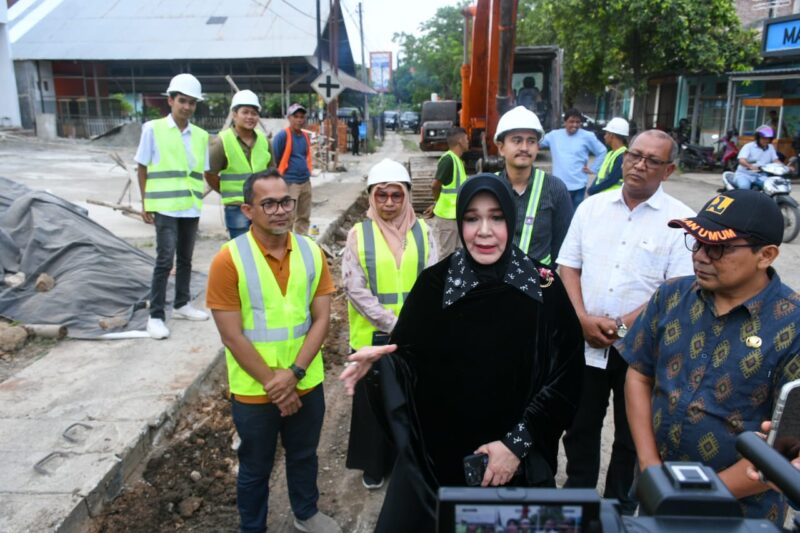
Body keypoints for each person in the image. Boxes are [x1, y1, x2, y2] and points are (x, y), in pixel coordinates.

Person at [341, 174, 584, 532]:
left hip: (518, 463)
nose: (484, 231)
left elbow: (567, 377)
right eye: (472, 218)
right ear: (460, 222)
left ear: (511, 220)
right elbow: (412, 362)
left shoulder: (542, 287)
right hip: (441, 466)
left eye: (497, 217)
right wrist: (384, 366)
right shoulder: (435, 284)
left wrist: (514, 446)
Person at [621, 188, 800, 525]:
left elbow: (787, 448)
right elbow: (639, 372)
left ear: (766, 255)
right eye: (697, 242)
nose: (700, 256)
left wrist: (701, 494)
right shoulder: (671, 296)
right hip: (656, 494)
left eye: (718, 247)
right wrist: (649, 466)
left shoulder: (793, 325)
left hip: (743, 514)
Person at [556, 129, 694, 514]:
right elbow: (568, 266)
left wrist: (621, 325)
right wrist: (581, 318)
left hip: (643, 349)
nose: (639, 165)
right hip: (586, 341)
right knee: (581, 426)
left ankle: (619, 505)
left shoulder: (681, 220)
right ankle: (578, 498)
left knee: (634, 434)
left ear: (668, 170)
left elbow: (676, 287)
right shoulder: (591, 208)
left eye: (652, 160)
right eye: (635, 155)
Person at [206, 169, 341, 533]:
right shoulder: (228, 260)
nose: (281, 210)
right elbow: (231, 335)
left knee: (303, 455)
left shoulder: (312, 253)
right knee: (254, 467)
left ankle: (306, 513)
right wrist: (274, 383)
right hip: (255, 391)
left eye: (286, 201)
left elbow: (321, 320)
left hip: (305, 381)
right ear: (248, 210)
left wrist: (293, 374)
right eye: (269, 203)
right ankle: (253, 528)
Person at [343, 159, 438, 490]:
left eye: (396, 196)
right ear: (371, 196)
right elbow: (354, 288)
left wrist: (411, 325)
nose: (388, 203)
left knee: (410, 402)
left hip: (413, 338)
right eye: (381, 195)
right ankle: (374, 464)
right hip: (372, 337)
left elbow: (434, 282)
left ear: (407, 196)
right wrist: (394, 322)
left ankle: (406, 463)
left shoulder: (424, 233)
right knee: (373, 404)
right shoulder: (359, 234)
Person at [135, 73, 210, 340]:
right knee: (165, 260)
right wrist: (146, 202)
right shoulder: (152, 129)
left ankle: (181, 304)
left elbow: (199, 173)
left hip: (190, 206)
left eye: (192, 102)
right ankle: (155, 315)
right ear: (170, 101)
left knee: (186, 259)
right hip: (165, 206)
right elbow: (141, 166)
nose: (187, 107)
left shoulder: (201, 136)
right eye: (182, 101)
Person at [494, 106, 573, 267]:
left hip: (538, 284)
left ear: (538, 147)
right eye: (517, 140)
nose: (524, 148)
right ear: (501, 148)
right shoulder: (490, 188)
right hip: (496, 283)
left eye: (531, 141)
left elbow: (563, 244)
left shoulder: (555, 189)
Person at [206, 90, 273, 239]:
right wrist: (227, 192)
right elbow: (210, 175)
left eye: (254, 113)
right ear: (234, 114)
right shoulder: (221, 141)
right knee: (242, 252)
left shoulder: (264, 141)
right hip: (237, 209)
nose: (250, 117)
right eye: (245, 112)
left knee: (264, 251)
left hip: (263, 206)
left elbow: (271, 173)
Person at [540, 108, 607, 209]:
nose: (575, 125)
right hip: (559, 186)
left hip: (578, 186)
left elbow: (602, 151)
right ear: (565, 122)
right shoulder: (554, 135)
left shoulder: (587, 136)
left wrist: (594, 168)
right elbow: (537, 144)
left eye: (578, 122)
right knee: (559, 216)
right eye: (571, 121)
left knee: (576, 217)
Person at [425, 127, 469, 257]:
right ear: (460, 141)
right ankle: (444, 278)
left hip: (456, 216)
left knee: (458, 255)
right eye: (466, 139)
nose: (468, 141)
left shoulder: (457, 161)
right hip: (447, 218)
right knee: (447, 256)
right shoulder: (448, 160)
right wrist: (436, 203)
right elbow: (435, 186)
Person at [273, 103, 313, 235]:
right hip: (290, 183)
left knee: (304, 216)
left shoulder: (305, 137)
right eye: (296, 116)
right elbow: (275, 159)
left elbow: (306, 156)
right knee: (288, 216)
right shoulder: (282, 136)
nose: (299, 120)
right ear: (289, 118)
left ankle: (301, 242)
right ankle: (286, 244)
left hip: (305, 182)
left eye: (302, 117)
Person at [587, 117, 628, 196]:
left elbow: (612, 179)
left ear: (612, 135)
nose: (604, 136)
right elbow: (600, 175)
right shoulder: (610, 153)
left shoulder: (623, 155)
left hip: (612, 196)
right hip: (603, 195)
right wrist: (593, 187)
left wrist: (593, 189)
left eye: (606, 133)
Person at [733, 125, 780, 191]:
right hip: (744, 174)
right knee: (744, 187)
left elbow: (776, 160)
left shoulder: (771, 147)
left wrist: (784, 167)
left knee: (772, 188)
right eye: (763, 138)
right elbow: (741, 160)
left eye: (768, 138)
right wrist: (750, 166)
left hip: (761, 176)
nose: (766, 140)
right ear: (758, 138)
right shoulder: (749, 146)